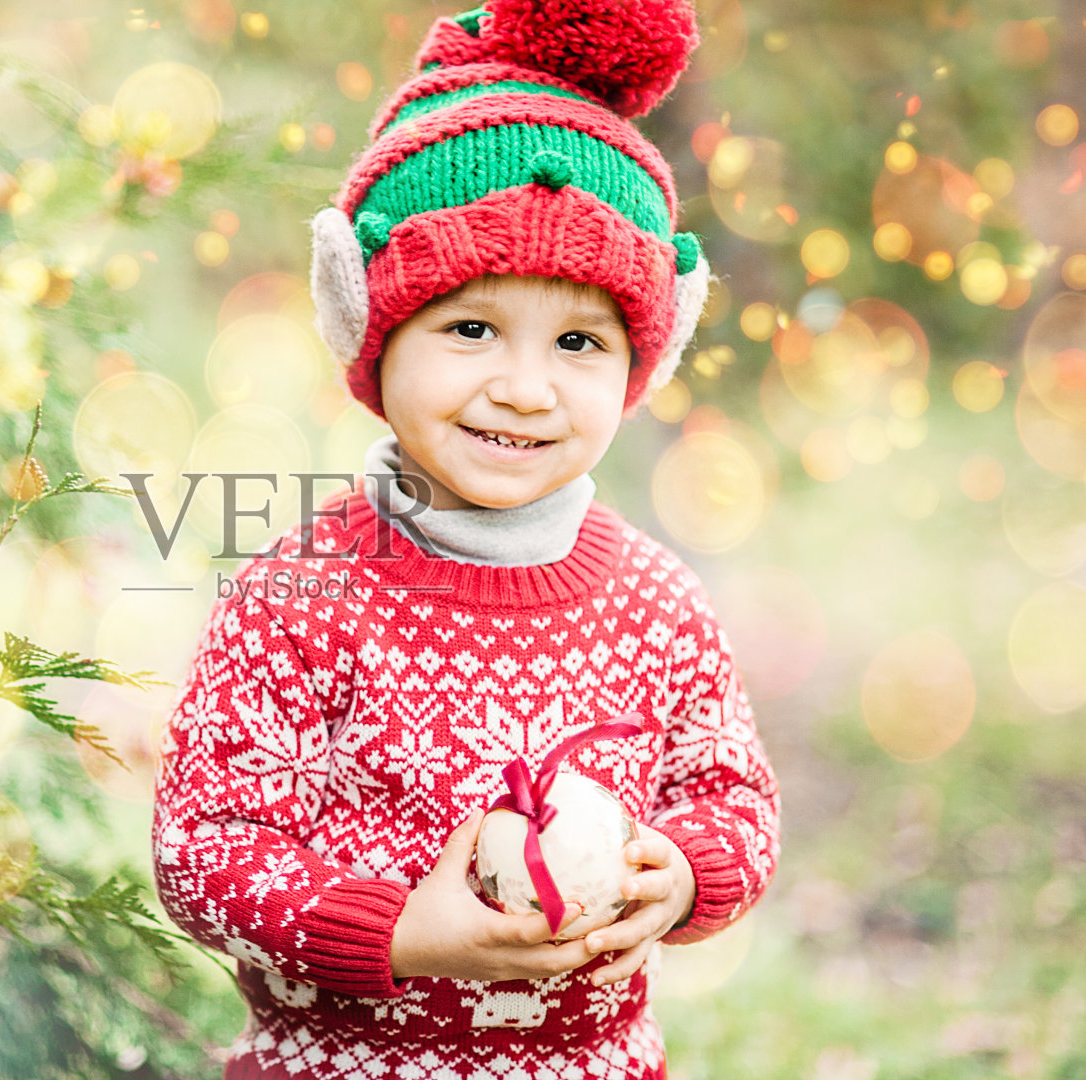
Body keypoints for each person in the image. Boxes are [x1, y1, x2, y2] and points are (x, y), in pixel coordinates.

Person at [151, 2, 781, 1076]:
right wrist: (401, 932)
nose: (525, 388)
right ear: (371, 327)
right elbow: (205, 848)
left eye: (578, 341)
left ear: (641, 362)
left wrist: (680, 873)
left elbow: (731, 795)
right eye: (471, 327)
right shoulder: (297, 598)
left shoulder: (657, 602)